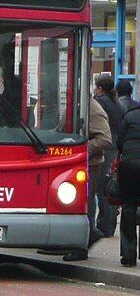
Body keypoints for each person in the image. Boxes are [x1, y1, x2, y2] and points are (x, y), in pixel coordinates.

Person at [63, 95, 112, 261]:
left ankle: (83, 245)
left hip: (89, 164)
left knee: (86, 204)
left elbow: (105, 138)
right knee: (74, 204)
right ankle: (73, 242)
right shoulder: (77, 104)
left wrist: (81, 149)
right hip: (73, 162)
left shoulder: (93, 109)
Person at [94, 75, 123, 238]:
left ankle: (105, 225)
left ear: (99, 88)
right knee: (108, 187)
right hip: (114, 147)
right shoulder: (116, 103)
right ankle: (107, 224)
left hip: (105, 147)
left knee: (103, 189)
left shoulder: (100, 102)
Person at [117, 102, 140, 266]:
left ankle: (128, 255)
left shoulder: (130, 116)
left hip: (129, 163)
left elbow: (119, 142)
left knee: (128, 206)